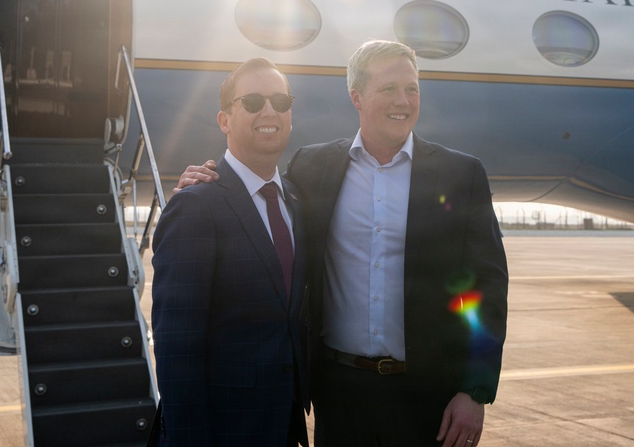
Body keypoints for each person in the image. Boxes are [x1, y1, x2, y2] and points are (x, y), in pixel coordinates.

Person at [178, 40, 508, 447]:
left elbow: (486, 289)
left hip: (429, 400)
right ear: (357, 96)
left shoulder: (461, 175)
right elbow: (258, 192)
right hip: (339, 394)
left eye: (412, 88)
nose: (402, 101)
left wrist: (474, 391)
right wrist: (207, 176)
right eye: (388, 89)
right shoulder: (314, 167)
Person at [153, 57, 309, 446]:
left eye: (281, 101)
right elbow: (176, 351)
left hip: (283, 427)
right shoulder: (196, 206)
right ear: (224, 121)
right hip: (224, 432)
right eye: (253, 102)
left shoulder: (296, 201)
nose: (269, 111)